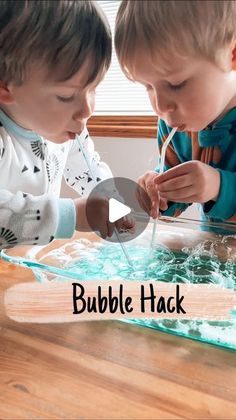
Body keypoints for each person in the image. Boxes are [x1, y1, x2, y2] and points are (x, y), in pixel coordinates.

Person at [0, 0, 132, 249]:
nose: (87, 109)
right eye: (66, 96)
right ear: (6, 85)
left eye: (93, 89)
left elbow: (88, 169)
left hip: (26, 267)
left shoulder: (64, 128)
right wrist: (73, 214)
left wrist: (110, 200)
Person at [115, 0, 236, 225]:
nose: (161, 106)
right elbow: (175, 184)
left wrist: (219, 187)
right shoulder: (176, 124)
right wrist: (160, 192)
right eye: (148, 87)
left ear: (232, 55)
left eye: (176, 84)